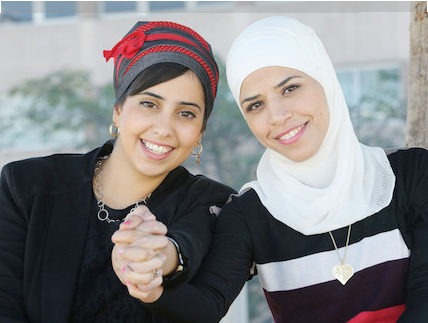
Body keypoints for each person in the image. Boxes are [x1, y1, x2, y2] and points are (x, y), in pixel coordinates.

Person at [112, 16, 428, 323]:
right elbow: (207, 305)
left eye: (290, 89)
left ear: (324, 79)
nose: (277, 116)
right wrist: (150, 286)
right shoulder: (249, 213)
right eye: (256, 105)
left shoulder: (412, 174)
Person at [0, 20, 235, 323]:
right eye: (149, 104)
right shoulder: (27, 186)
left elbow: (203, 305)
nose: (164, 129)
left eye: (186, 113)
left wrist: (161, 259)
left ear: (200, 131)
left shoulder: (217, 205)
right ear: (118, 111)